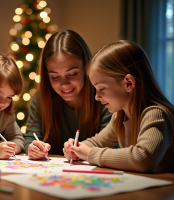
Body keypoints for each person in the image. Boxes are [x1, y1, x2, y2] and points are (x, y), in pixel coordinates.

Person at [65, 40, 174, 173]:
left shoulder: (156, 114)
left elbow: (143, 158)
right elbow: (97, 142)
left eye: (101, 88)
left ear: (128, 83)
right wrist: (75, 148)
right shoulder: (120, 115)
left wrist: (90, 153)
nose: (96, 96)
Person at [24, 30, 112, 160]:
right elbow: (30, 139)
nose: (64, 84)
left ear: (87, 67)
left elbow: (112, 146)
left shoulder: (105, 99)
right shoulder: (40, 99)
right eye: (54, 77)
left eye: (72, 74)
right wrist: (33, 148)